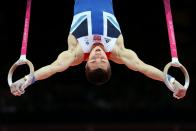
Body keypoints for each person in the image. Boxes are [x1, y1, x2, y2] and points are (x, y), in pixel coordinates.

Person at [10, 0, 187, 99]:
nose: (97, 55)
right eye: (102, 60)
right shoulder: (118, 50)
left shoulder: (76, 53)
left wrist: (26, 80)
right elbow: (144, 68)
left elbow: (53, 68)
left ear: (84, 64)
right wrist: (171, 81)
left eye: (93, 61)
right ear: (110, 61)